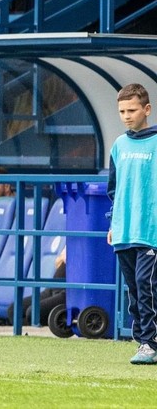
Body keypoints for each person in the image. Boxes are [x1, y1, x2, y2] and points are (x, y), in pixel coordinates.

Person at [107, 83, 157, 364]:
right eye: (122, 111)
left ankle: (149, 342)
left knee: (146, 284)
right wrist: (112, 224)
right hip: (125, 230)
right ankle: (144, 341)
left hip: (151, 230)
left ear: (146, 109)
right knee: (135, 291)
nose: (126, 115)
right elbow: (114, 190)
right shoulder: (118, 145)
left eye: (132, 110)